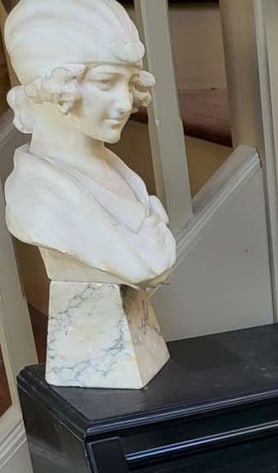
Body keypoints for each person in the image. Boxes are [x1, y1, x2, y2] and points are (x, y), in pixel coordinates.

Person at [3, 0, 176, 290]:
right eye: (106, 82)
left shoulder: (125, 179)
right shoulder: (38, 201)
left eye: (131, 83)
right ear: (53, 88)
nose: (125, 103)